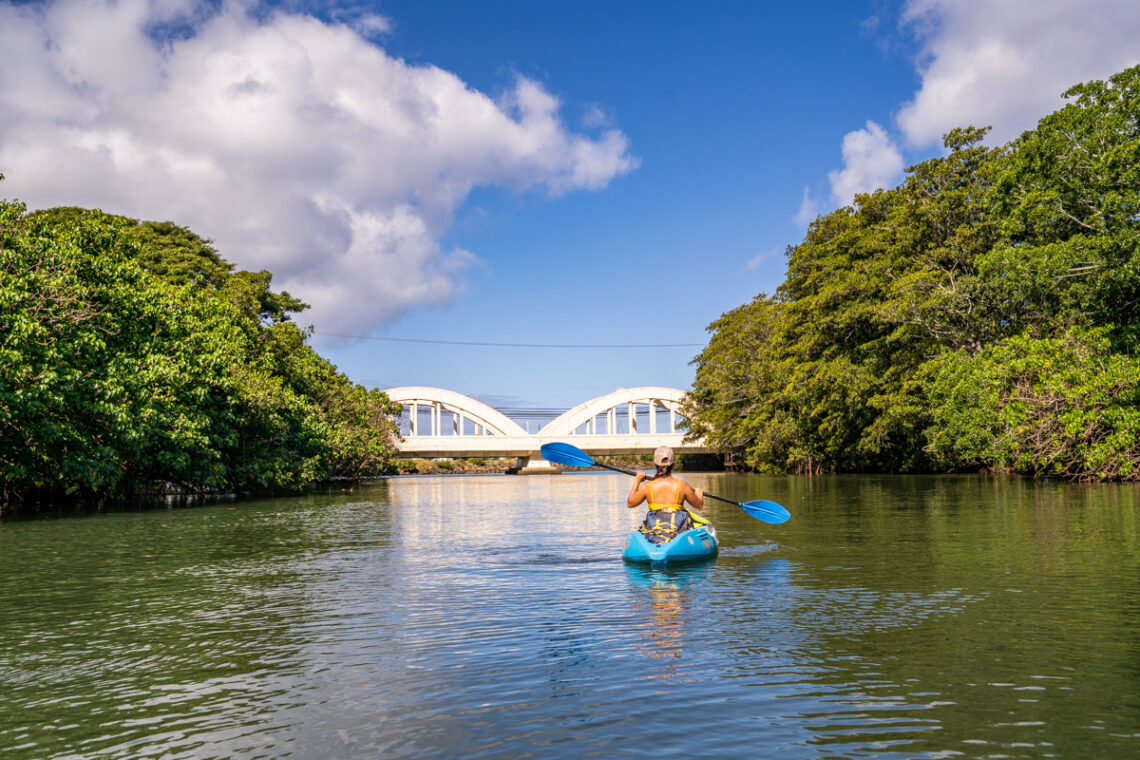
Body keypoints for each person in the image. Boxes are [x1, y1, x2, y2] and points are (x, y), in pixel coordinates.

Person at [626, 446, 704, 543]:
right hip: (677, 530)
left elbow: (630, 503)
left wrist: (637, 480)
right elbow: (698, 505)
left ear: (655, 464)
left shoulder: (647, 486)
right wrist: (699, 493)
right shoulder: (682, 485)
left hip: (654, 529)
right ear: (673, 464)